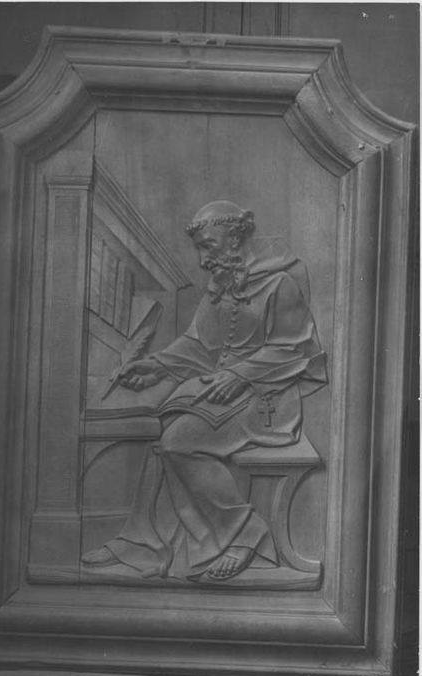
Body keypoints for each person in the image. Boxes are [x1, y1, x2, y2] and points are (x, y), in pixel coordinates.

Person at [82, 201, 327, 582]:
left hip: (267, 395)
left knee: (178, 442)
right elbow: (198, 345)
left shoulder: (279, 284)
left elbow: (293, 349)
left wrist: (241, 374)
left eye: (208, 246)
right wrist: (156, 366)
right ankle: (143, 541)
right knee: (164, 442)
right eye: (199, 248)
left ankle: (246, 534)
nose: (202, 260)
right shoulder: (222, 284)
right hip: (222, 392)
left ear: (234, 239)